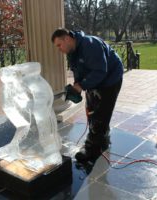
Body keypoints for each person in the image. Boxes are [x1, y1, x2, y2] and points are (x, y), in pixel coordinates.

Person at [51, 28, 123, 163]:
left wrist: (82, 85)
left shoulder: (90, 45)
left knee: (101, 113)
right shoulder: (72, 52)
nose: (59, 49)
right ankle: (103, 137)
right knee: (91, 109)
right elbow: (77, 70)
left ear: (67, 38)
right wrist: (77, 84)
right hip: (96, 79)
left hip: (110, 78)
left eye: (59, 45)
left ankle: (91, 150)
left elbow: (100, 71)